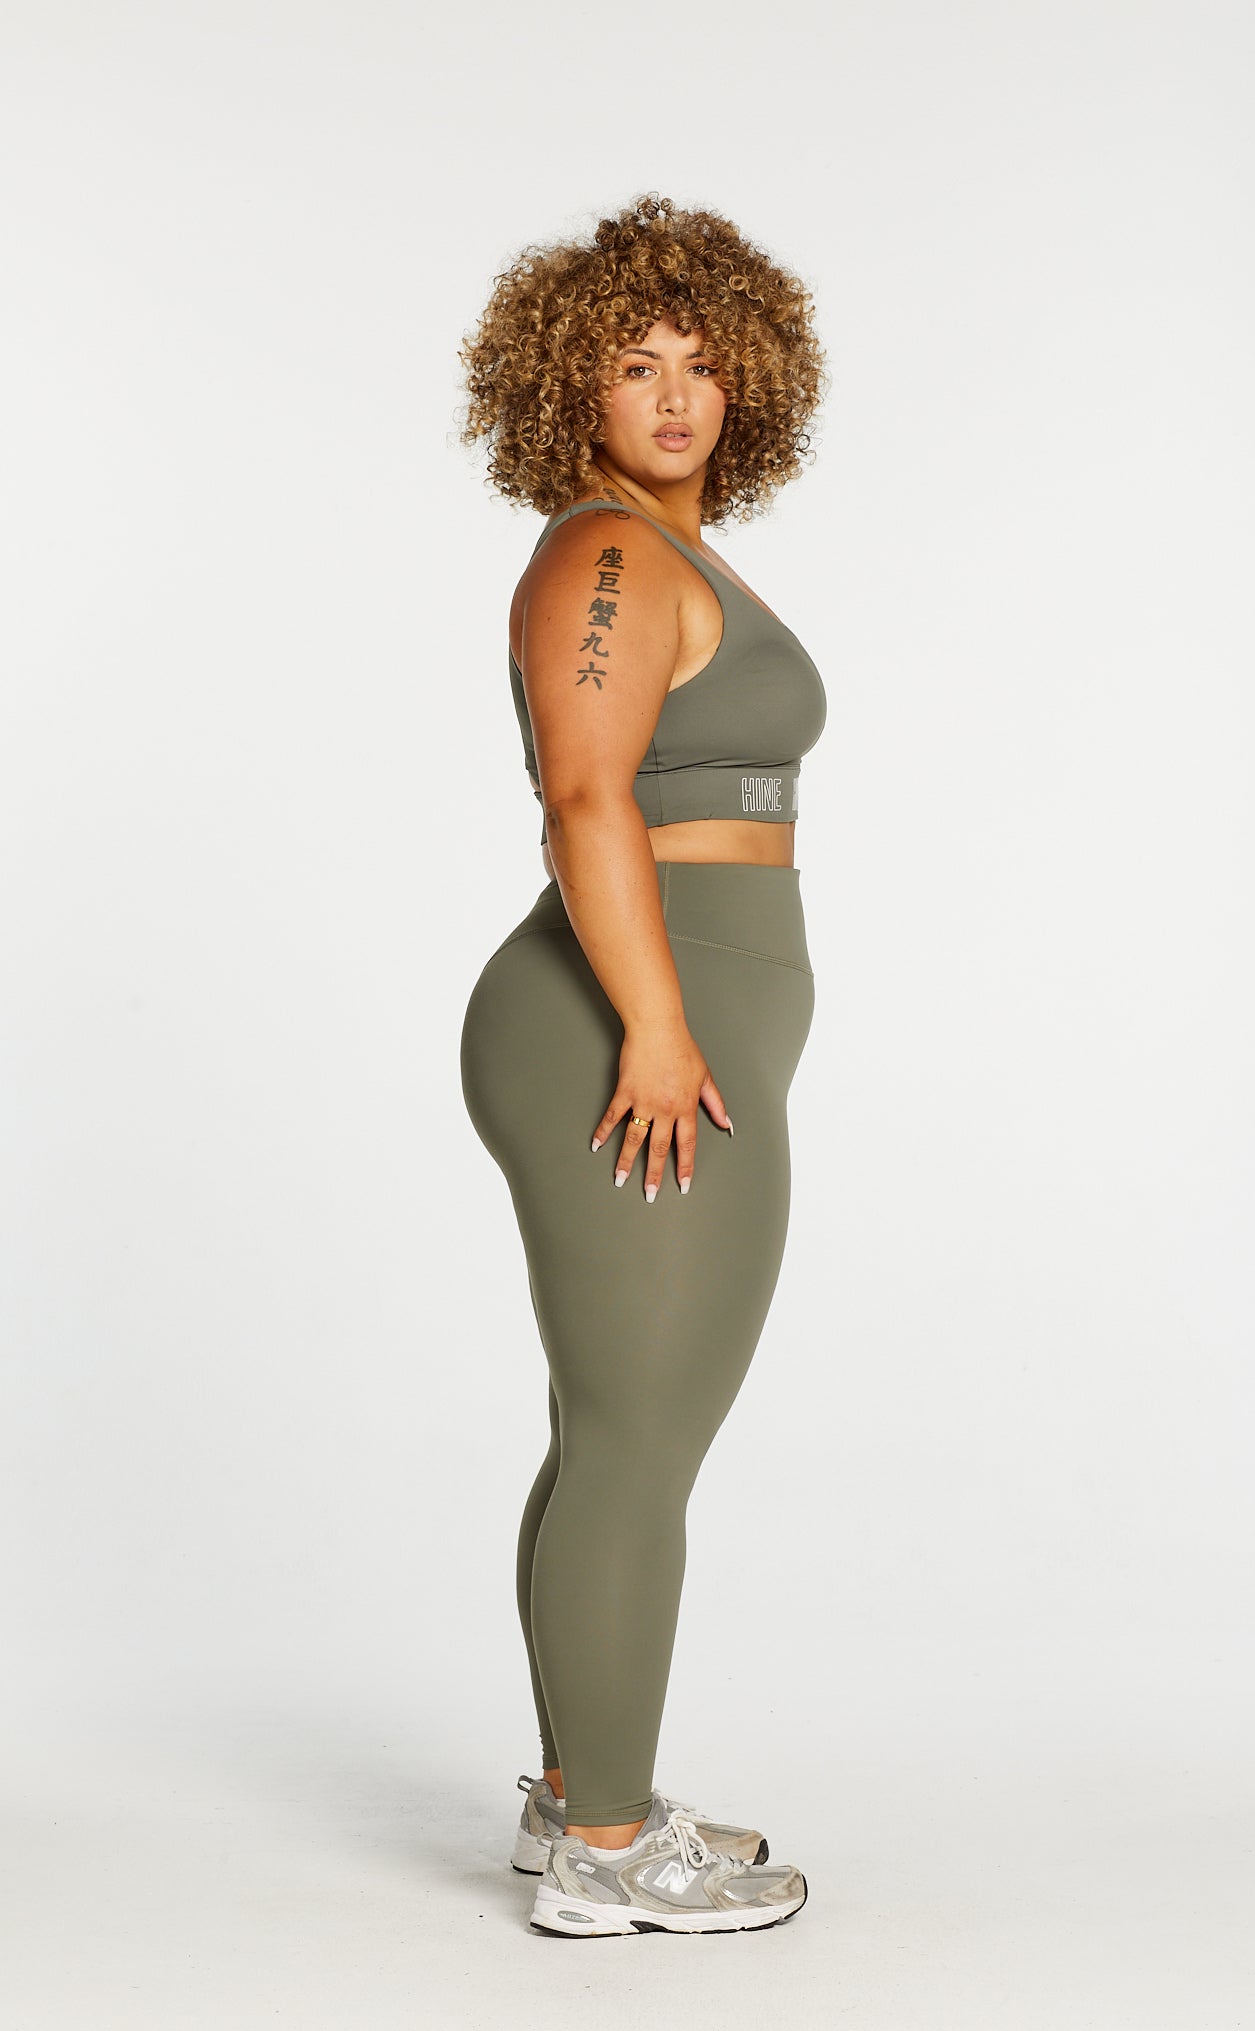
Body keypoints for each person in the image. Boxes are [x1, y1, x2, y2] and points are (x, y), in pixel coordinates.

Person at [456, 193, 827, 1937]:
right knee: (637, 1437)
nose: (673, 395)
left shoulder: (678, 554)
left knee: (611, 1426)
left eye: (699, 361)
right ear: (567, 387)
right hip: (625, 1026)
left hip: (688, 1015)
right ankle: (606, 1850)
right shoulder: (599, 557)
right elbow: (584, 794)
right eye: (630, 364)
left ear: (749, 376)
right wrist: (659, 1030)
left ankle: (574, 1792)